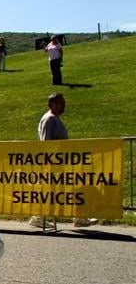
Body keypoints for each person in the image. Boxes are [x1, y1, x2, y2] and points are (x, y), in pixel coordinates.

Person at [30, 93, 97, 228]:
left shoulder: (53, 118)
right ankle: (40, 217)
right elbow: (46, 143)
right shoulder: (49, 119)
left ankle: (41, 217)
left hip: (60, 163)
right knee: (64, 190)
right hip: (55, 164)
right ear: (52, 104)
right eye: (61, 103)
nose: (64, 105)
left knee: (64, 191)